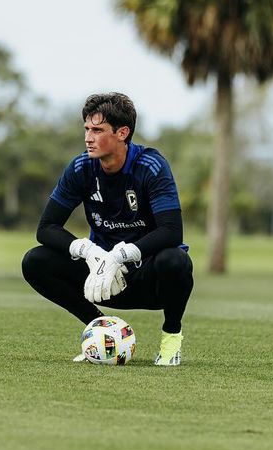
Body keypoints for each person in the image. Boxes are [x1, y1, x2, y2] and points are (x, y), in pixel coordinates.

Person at [21, 92, 193, 366]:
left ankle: (171, 339)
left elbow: (172, 231)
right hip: (102, 279)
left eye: (97, 130)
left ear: (122, 133)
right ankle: (100, 331)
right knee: (35, 261)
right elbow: (46, 228)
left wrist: (120, 255)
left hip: (149, 280)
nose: (88, 138)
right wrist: (90, 252)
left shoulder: (150, 166)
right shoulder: (81, 168)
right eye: (87, 129)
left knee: (176, 260)